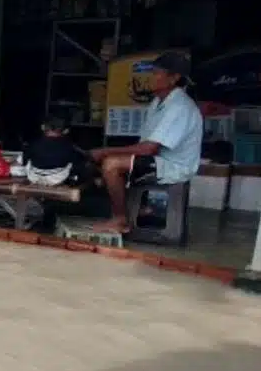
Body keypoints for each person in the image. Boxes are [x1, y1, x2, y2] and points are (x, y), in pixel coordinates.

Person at [89, 51, 202, 234]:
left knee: (111, 164)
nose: (150, 78)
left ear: (173, 78)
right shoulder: (158, 102)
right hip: (158, 159)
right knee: (102, 164)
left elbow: (150, 148)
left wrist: (106, 151)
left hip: (174, 165)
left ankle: (120, 220)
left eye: (156, 73)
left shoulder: (179, 106)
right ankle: (137, 209)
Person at [24, 114, 87, 186]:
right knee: (77, 163)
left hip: (34, 178)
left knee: (27, 158)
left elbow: (24, 160)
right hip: (57, 179)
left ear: (42, 127)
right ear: (66, 131)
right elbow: (78, 163)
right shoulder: (68, 146)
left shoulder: (34, 143)